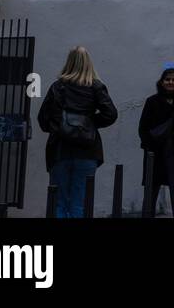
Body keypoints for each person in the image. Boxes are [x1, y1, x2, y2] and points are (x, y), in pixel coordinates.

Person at [37, 46, 118, 218]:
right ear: (89, 64)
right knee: (79, 203)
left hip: (60, 150)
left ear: (69, 62)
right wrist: (89, 123)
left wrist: (60, 126)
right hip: (87, 151)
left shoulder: (57, 87)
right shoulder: (96, 87)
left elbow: (43, 120)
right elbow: (111, 114)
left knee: (58, 202)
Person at [138, 68, 174, 218]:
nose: (171, 82)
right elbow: (143, 128)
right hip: (155, 154)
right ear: (162, 82)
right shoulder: (152, 101)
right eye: (167, 79)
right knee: (151, 192)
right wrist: (149, 146)